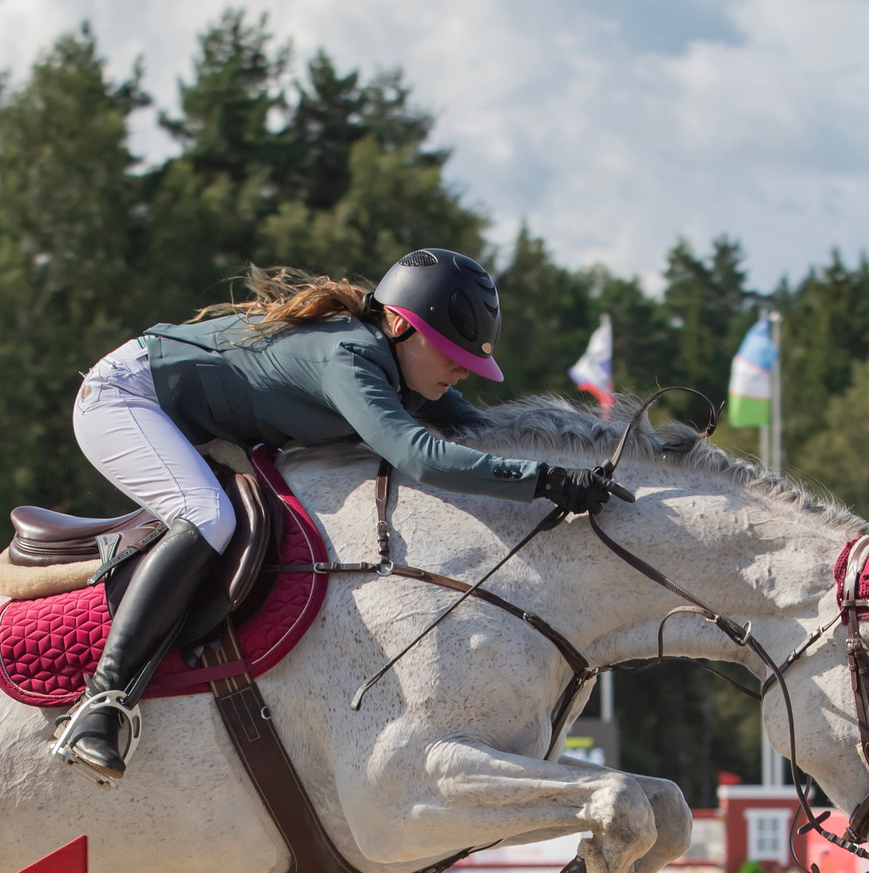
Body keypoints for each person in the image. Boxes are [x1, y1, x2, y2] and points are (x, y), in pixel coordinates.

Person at [55, 251, 620, 780]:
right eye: (451, 353)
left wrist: (581, 459)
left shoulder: (406, 368)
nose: (463, 371)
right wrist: (542, 483)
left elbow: (482, 434)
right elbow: (418, 457)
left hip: (196, 420)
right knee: (208, 516)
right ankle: (101, 703)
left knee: (224, 513)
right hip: (126, 398)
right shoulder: (348, 357)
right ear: (400, 326)